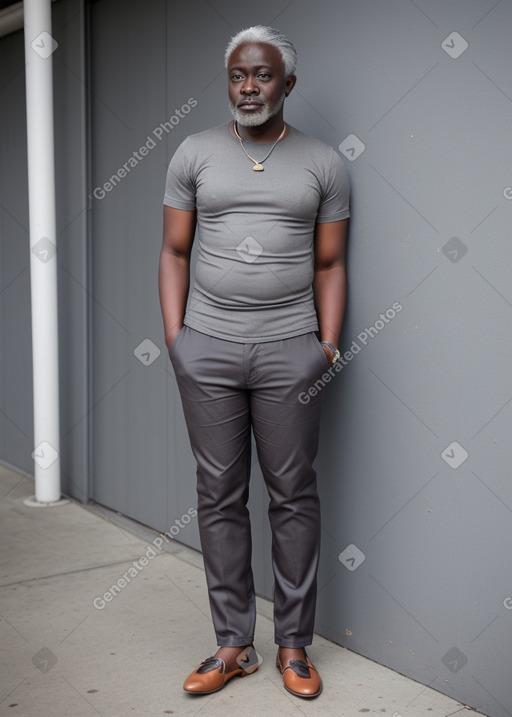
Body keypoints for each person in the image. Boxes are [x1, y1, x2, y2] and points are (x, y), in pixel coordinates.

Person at [158, 25, 350, 699]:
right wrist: (179, 339)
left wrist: (324, 345)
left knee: (293, 495)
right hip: (206, 347)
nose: (249, 86)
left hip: (290, 349)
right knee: (219, 495)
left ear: (287, 84)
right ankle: (233, 642)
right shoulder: (195, 153)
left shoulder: (323, 163)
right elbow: (174, 252)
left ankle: (293, 644)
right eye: (239, 74)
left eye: (263, 75)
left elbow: (330, 262)